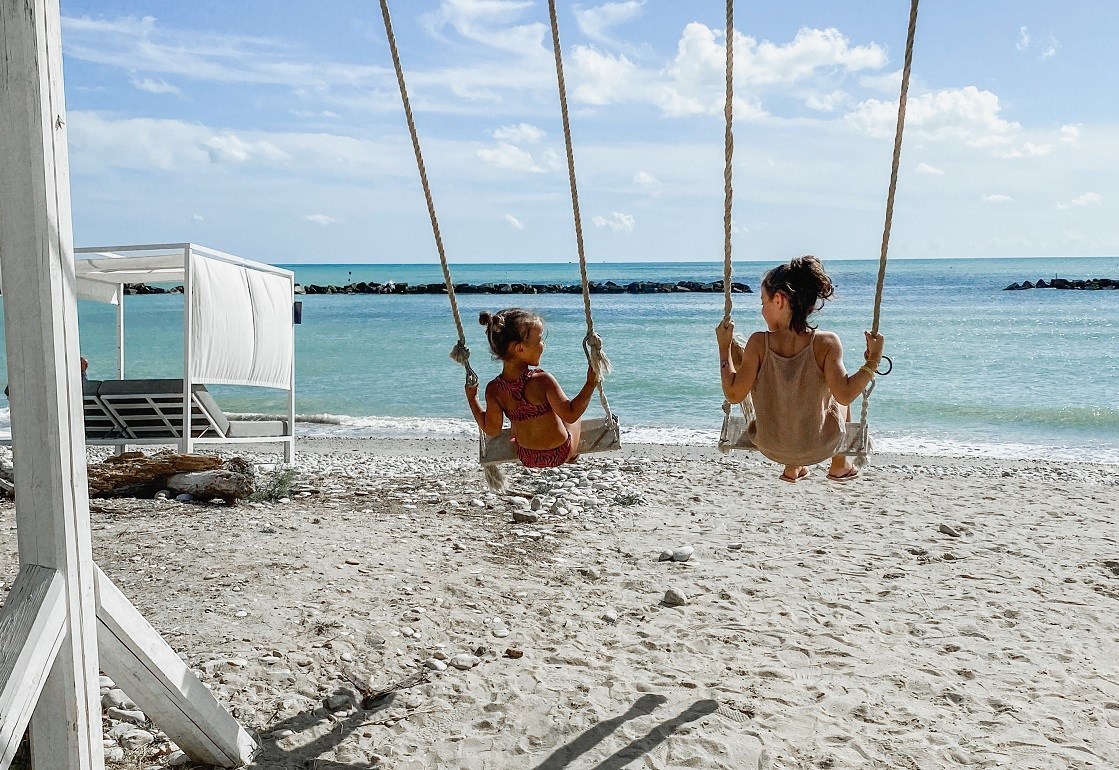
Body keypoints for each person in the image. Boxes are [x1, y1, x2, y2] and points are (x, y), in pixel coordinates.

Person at [716, 255, 885, 483]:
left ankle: (793, 467)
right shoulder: (827, 343)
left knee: (786, 387)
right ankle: (839, 464)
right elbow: (845, 395)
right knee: (838, 391)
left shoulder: (757, 343)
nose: (761, 309)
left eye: (762, 302)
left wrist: (724, 347)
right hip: (820, 448)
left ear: (778, 300)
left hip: (770, 446)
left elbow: (734, 394)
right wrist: (872, 361)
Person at [466, 308, 599, 468]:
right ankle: (573, 455)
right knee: (574, 417)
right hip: (560, 452)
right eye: (540, 340)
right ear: (520, 349)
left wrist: (472, 398)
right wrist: (590, 384)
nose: (543, 345)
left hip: (527, 456)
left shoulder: (494, 389)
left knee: (520, 416)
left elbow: (492, 430)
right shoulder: (543, 380)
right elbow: (570, 414)